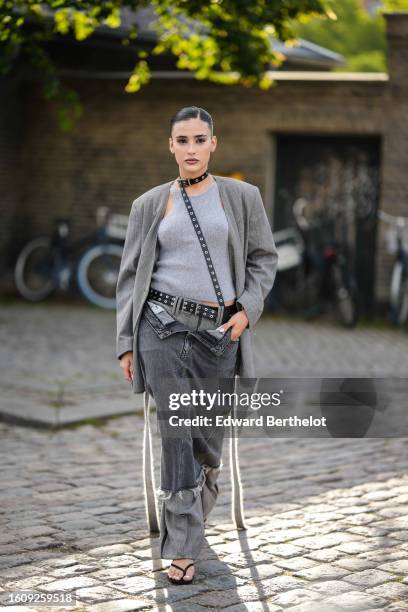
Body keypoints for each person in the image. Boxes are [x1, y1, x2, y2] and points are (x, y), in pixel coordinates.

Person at [116, 106, 278, 584]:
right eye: (181, 140)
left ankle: (192, 509)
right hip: (159, 328)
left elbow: (263, 260)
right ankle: (182, 544)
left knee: (206, 443)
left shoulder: (242, 197)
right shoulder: (148, 205)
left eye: (198, 139)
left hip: (219, 334)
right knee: (176, 433)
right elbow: (129, 279)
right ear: (170, 146)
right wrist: (127, 342)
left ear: (213, 144)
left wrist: (247, 309)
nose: (190, 148)